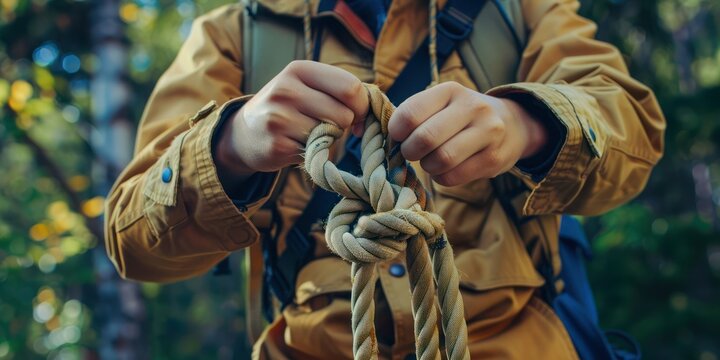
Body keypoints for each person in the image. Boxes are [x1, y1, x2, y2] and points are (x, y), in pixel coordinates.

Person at [104, 0, 665, 358]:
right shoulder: (233, 35)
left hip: (521, 342)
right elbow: (132, 242)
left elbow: (631, 129)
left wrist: (526, 124)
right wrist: (228, 145)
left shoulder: (521, 11)